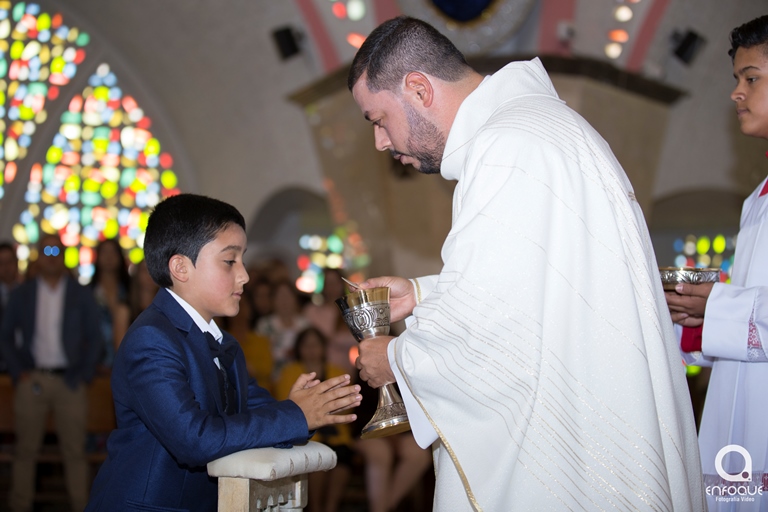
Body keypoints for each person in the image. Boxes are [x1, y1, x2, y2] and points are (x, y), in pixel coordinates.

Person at [349, 16, 704, 511]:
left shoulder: (507, 148)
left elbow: (496, 331)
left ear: (418, 88)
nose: (381, 143)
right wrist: (424, 294)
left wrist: (396, 360)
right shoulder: (536, 130)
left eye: (378, 119)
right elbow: (542, 287)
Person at [85, 194, 362, 511]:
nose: (244, 275)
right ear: (180, 267)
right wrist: (294, 414)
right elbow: (194, 439)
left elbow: (257, 417)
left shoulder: (225, 344)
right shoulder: (151, 339)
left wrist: (305, 410)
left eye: (242, 260)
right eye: (230, 261)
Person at [665, 15, 768, 511]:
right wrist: (694, 321)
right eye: (736, 80)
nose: (737, 93)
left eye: (752, 78)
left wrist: (719, 306)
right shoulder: (758, 199)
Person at [0, 233, 103, 512]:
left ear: (64, 254)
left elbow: (95, 338)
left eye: (57, 249)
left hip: (69, 381)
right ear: (37, 255)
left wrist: (83, 374)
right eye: (45, 249)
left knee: (75, 452)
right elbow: (6, 335)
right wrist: (19, 370)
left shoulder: (79, 293)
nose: (51, 254)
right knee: (25, 451)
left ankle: (82, 506)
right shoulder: (24, 293)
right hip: (32, 379)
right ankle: (19, 506)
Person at [275, 327, 354, 512]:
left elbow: (346, 406)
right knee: (317, 463)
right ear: (299, 348)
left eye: (316, 344)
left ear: (323, 347)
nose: (311, 349)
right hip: (305, 436)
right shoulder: (289, 371)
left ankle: (331, 508)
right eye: (306, 345)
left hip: (337, 436)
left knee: (342, 460)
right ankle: (316, 508)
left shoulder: (337, 371)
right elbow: (286, 403)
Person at [303, 268, 358, 375]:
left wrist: (330, 338)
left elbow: (357, 338)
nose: (331, 287)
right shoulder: (312, 311)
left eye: (334, 283)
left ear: (341, 284)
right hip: (315, 371)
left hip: (343, 370)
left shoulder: (350, 312)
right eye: (328, 283)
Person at [256, 279, 311, 383]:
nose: (284, 301)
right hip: (272, 380)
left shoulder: (305, 325)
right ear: (273, 300)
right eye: (280, 296)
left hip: (300, 378)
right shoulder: (264, 325)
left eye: (288, 296)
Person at [90, 238, 131, 367]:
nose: (109, 257)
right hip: (95, 365)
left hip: (127, 363)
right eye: (104, 252)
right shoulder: (88, 293)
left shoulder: (130, 292)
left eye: (113, 252)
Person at [0, 241, 19, 373]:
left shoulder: (28, 295)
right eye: (1, 263)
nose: (6, 267)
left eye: (10, 262)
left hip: (25, 366)